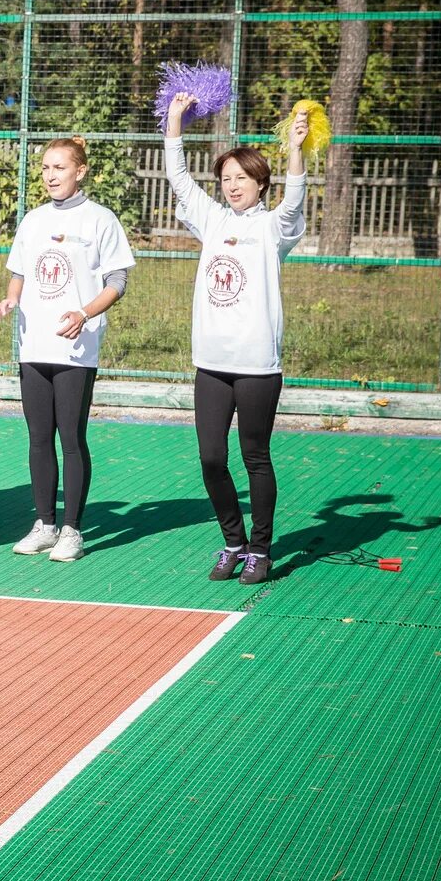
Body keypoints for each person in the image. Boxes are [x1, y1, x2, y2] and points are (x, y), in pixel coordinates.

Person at [165, 95, 309, 586]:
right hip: (211, 363)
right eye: (225, 179)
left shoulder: (273, 228)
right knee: (210, 457)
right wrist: (175, 123)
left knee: (255, 456)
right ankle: (233, 541)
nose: (231, 187)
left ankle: (261, 550)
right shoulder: (213, 220)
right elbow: (179, 179)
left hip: (257, 366)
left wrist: (295, 149)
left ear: (259, 182)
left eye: (240, 179)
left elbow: (294, 201)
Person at [0, 136, 136, 562]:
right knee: (39, 437)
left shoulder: (100, 220)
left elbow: (118, 283)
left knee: (71, 437)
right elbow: (18, 272)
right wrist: (11, 299)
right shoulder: (33, 220)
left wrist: (84, 314)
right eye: (45, 168)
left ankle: (72, 529)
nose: (50, 175)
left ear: (80, 171)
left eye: (59, 167)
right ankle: (45, 524)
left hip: (76, 348)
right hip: (33, 345)